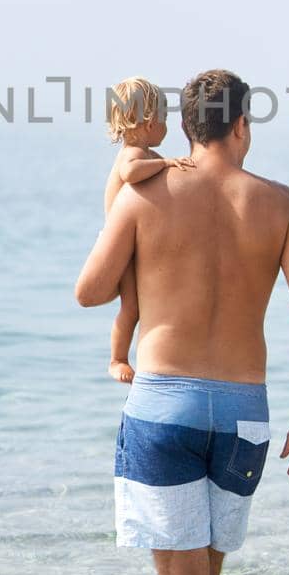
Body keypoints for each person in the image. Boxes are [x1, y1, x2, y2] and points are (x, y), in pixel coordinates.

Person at [75, 68, 289, 575]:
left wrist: (141, 251)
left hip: (165, 406)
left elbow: (89, 292)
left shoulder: (147, 194)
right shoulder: (279, 204)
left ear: (187, 130)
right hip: (246, 414)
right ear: (242, 127)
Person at [102, 76, 195, 384]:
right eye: (164, 118)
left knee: (140, 304)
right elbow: (130, 173)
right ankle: (117, 359)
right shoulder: (133, 154)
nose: (167, 125)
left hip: (135, 243)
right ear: (146, 122)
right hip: (123, 246)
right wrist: (167, 163)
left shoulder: (146, 155)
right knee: (131, 306)